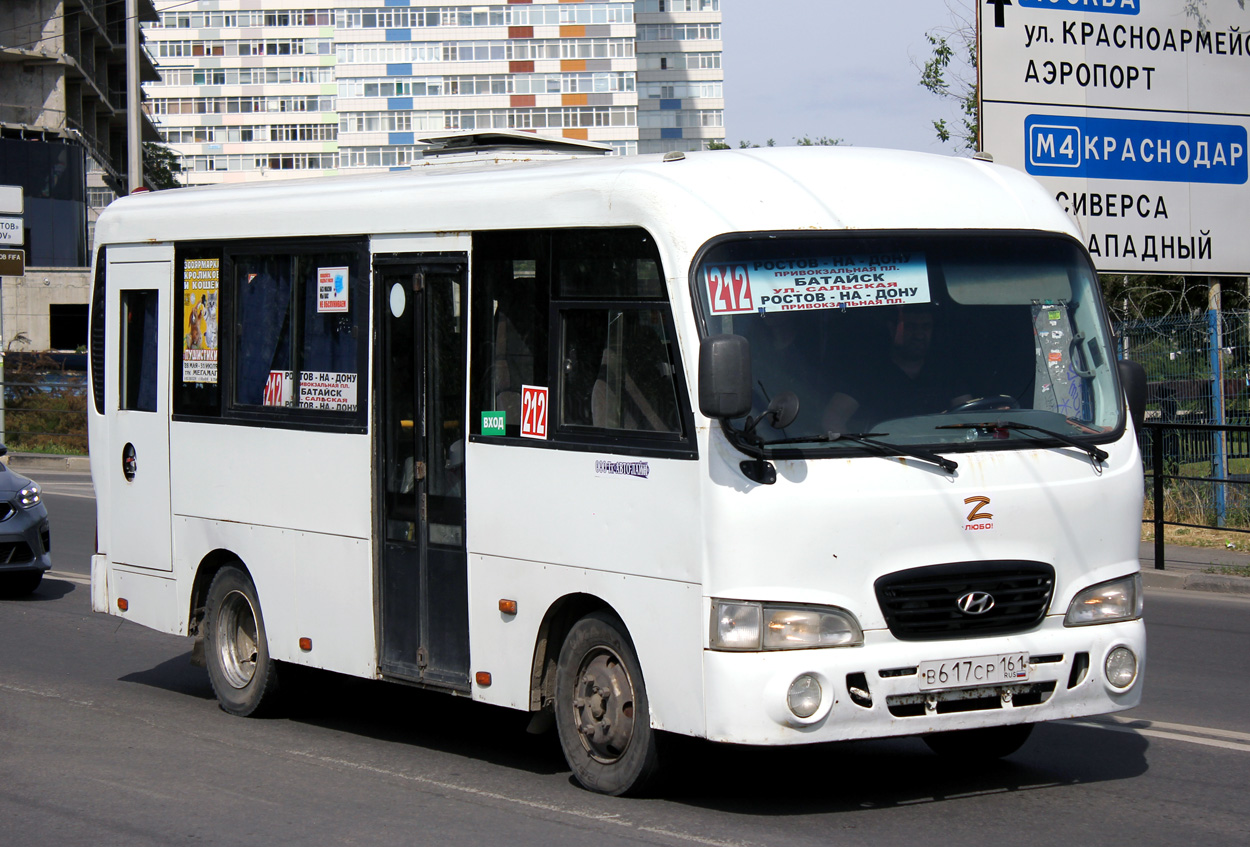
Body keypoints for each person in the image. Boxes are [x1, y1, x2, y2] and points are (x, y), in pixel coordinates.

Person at [823, 305, 969, 432]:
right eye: (910, 327)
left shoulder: (945, 371)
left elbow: (968, 416)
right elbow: (832, 420)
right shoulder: (868, 372)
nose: (919, 335)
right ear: (892, 329)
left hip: (942, 453)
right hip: (883, 457)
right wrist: (862, 452)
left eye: (925, 327)